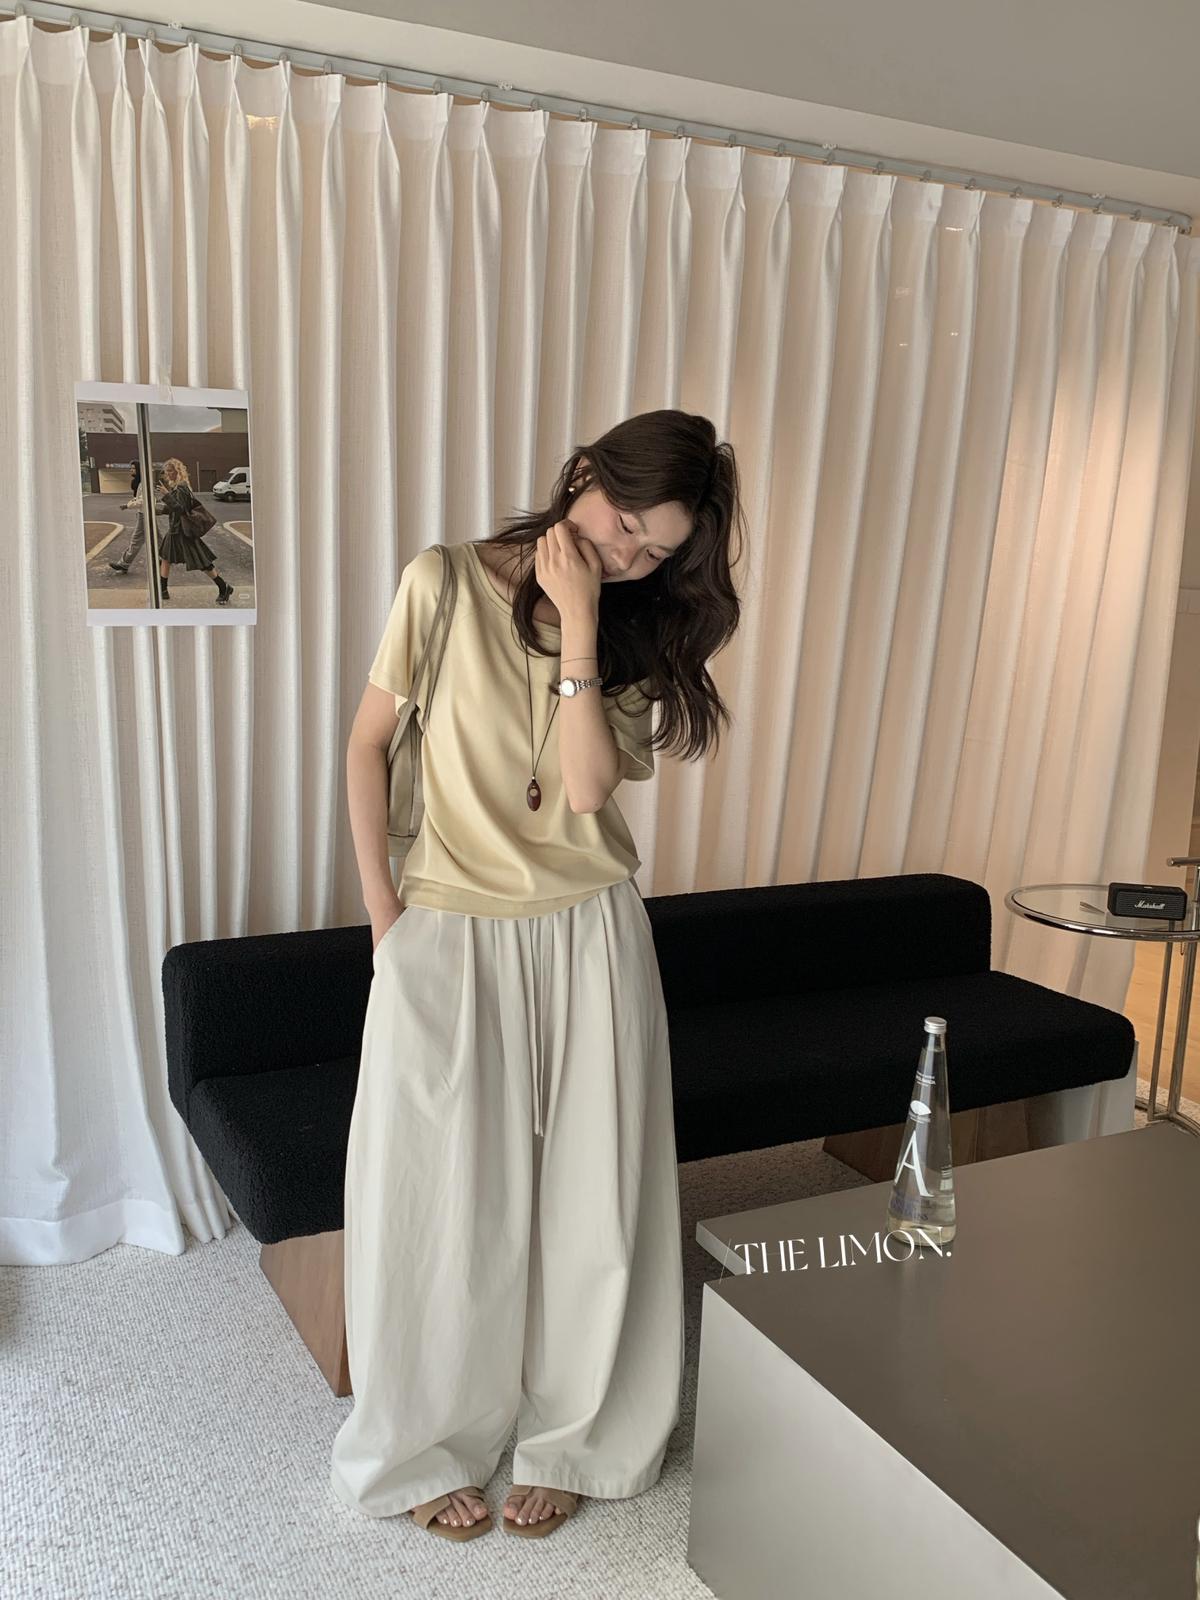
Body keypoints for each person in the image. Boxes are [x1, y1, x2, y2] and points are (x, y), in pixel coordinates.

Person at [331, 408, 745, 1543]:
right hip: (450, 927)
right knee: (436, 1202)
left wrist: (585, 624)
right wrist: (384, 920)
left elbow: (585, 791)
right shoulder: (440, 583)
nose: (628, 556)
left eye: (656, 552)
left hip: (588, 931)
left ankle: (577, 1438)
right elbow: (367, 743)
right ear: (583, 477)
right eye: (623, 525)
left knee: (592, 1204)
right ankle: (424, 1442)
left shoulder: (627, 624)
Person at [156, 457, 234, 604]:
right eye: (166, 471)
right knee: (165, 558)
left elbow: (181, 509)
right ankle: (163, 590)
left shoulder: (182, 487)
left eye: (170, 471)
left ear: (177, 471)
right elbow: (172, 508)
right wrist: (156, 509)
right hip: (175, 531)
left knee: (202, 562)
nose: (168, 474)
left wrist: (166, 495)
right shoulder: (176, 488)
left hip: (182, 532)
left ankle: (224, 587)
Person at [108, 468, 162, 576]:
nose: (131, 470)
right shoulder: (143, 482)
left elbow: (142, 501)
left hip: (144, 515)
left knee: (136, 540)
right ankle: (165, 558)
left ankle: (124, 564)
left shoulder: (145, 483)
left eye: (133, 468)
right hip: (146, 514)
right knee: (157, 538)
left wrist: (127, 506)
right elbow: (139, 498)